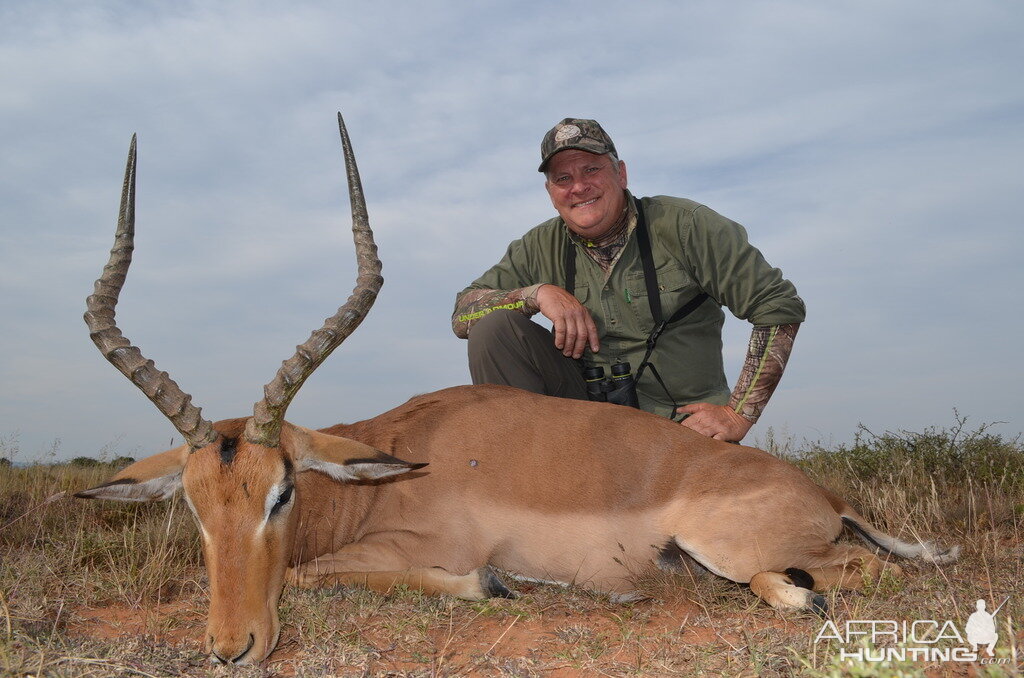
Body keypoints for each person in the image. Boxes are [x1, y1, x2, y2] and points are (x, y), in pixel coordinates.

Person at [451, 118, 805, 442]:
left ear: (621, 174)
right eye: (563, 179)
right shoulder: (537, 246)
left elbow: (778, 306)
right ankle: (528, 472)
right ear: (550, 192)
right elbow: (462, 314)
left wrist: (737, 414)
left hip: (682, 426)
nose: (578, 187)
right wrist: (537, 294)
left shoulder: (687, 225)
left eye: (591, 169)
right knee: (493, 327)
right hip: (583, 417)